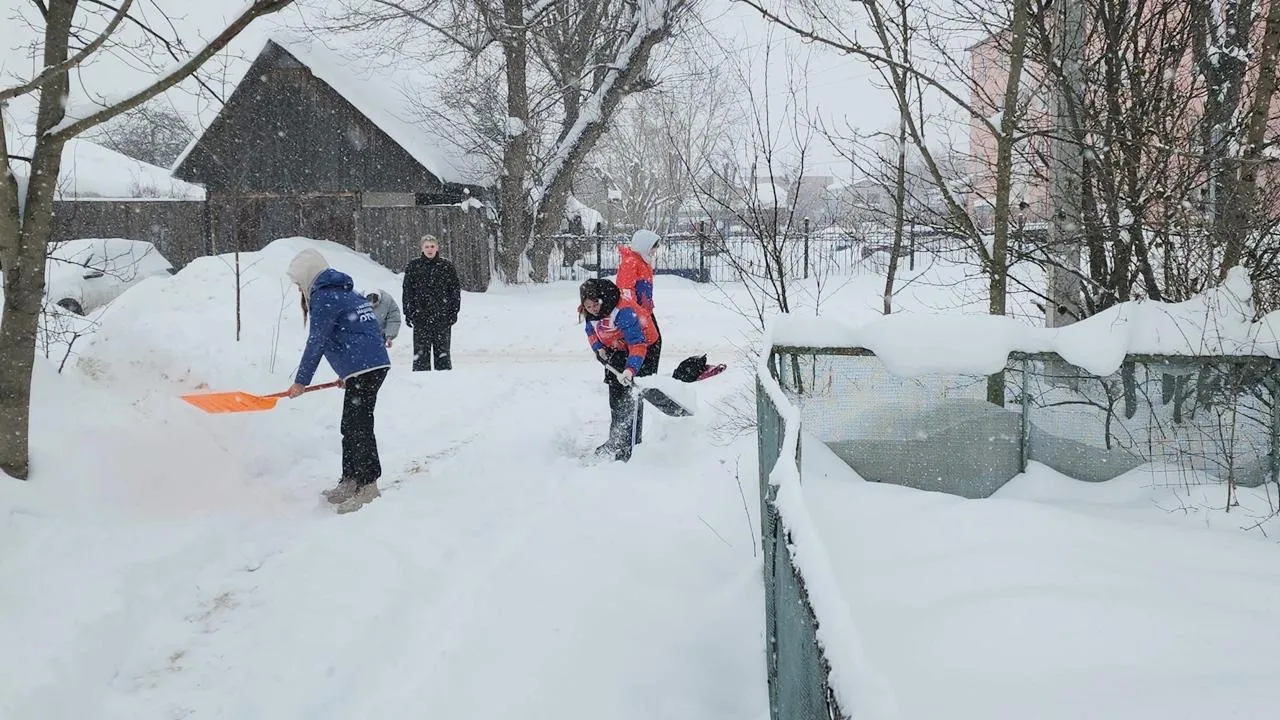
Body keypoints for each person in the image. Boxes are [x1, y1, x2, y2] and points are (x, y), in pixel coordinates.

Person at [286, 248, 392, 513]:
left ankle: (368, 485)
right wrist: (349, 372)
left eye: (299, 283)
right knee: (351, 425)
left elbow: (317, 340)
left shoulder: (324, 297)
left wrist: (301, 381)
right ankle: (351, 480)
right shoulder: (344, 293)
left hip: (367, 367)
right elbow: (359, 333)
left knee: (359, 426)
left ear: (309, 276)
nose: (300, 290)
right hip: (368, 366)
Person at [579, 277, 661, 461]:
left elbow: (638, 343)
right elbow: (591, 331)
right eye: (588, 307)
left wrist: (630, 369)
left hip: (645, 345)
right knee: (616, 395)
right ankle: (616, 439)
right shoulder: (590, 311)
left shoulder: (623, 311)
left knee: (633, 395)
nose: (592, 310)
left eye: (595, 306)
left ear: (602, 300)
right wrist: (598, 348)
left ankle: (630, 448)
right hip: (618, 346)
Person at [401, 235, 461, 371]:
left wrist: (453, 312)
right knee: (421, 356)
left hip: (442, 317)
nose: (430, 249)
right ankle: (421, 385)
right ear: (422, 248)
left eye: (432, 246)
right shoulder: (414, 266)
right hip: (420, 316)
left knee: (443, 355)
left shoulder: (446, 266)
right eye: (427, 246)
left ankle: (443, 385)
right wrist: (408, 312)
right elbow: (407, 291)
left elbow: (455, 292)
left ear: (437, 248)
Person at [615, 228, 660, 315]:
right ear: (644, 246)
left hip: (644, 310)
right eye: (654, 246)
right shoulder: (631, 263)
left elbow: (644, 288)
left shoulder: (644, 262)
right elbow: (626, 291)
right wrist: (636, 311)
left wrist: (647, 304)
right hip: (635, 313)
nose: (656, 249)